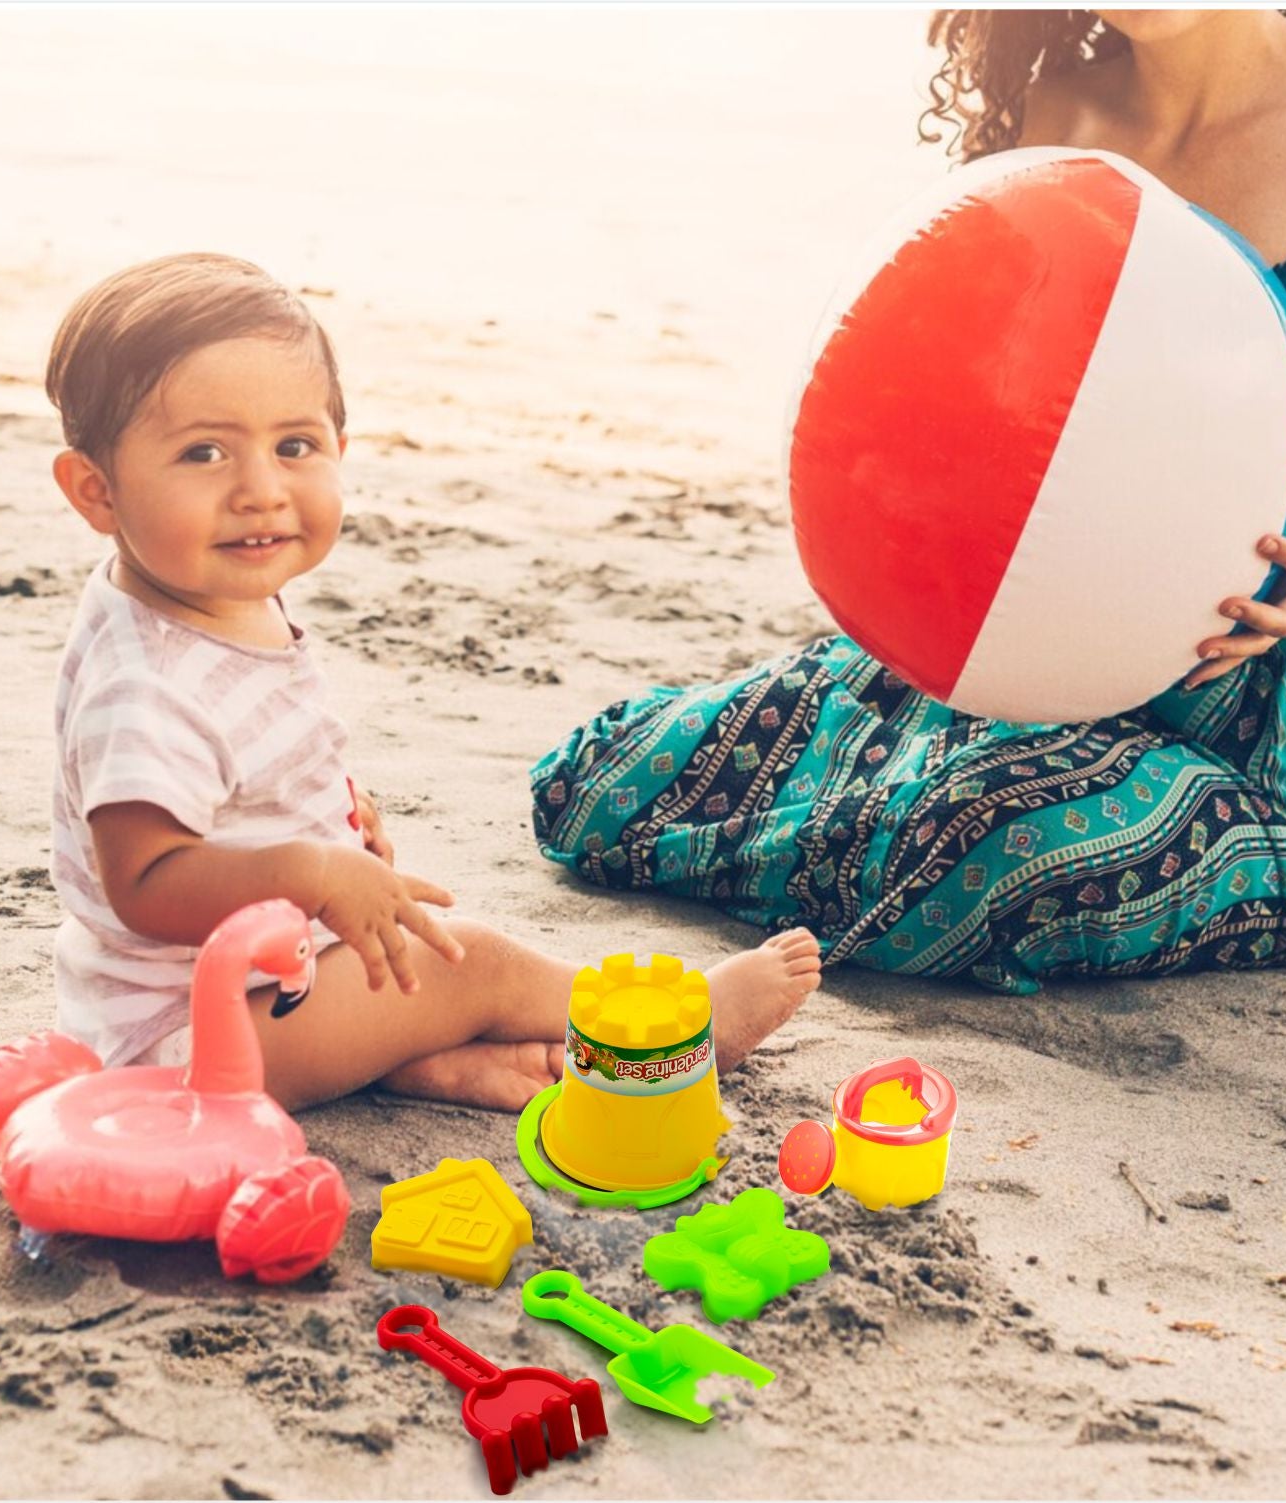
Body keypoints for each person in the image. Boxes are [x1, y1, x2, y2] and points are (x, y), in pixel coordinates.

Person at [531, 9, 1286, 995]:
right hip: (1022, 650)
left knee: (981, 849)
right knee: (604, 785)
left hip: (1274, 698)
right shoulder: (1058, 105)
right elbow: (964, 403)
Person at [45, 253, 821, 1112]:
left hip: (267, 978)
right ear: (97, 491)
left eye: (293, 445)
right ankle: (669, 1023)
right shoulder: (145, 685)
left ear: (339, 448)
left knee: (406, 971)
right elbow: (145, 881)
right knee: (467, 962)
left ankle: (422, 1066)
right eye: (203, 452)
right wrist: (310, 869)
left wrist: (326, 813)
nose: (260, 491)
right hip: (193, 1037)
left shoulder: (203, 589)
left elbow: (238, 770)